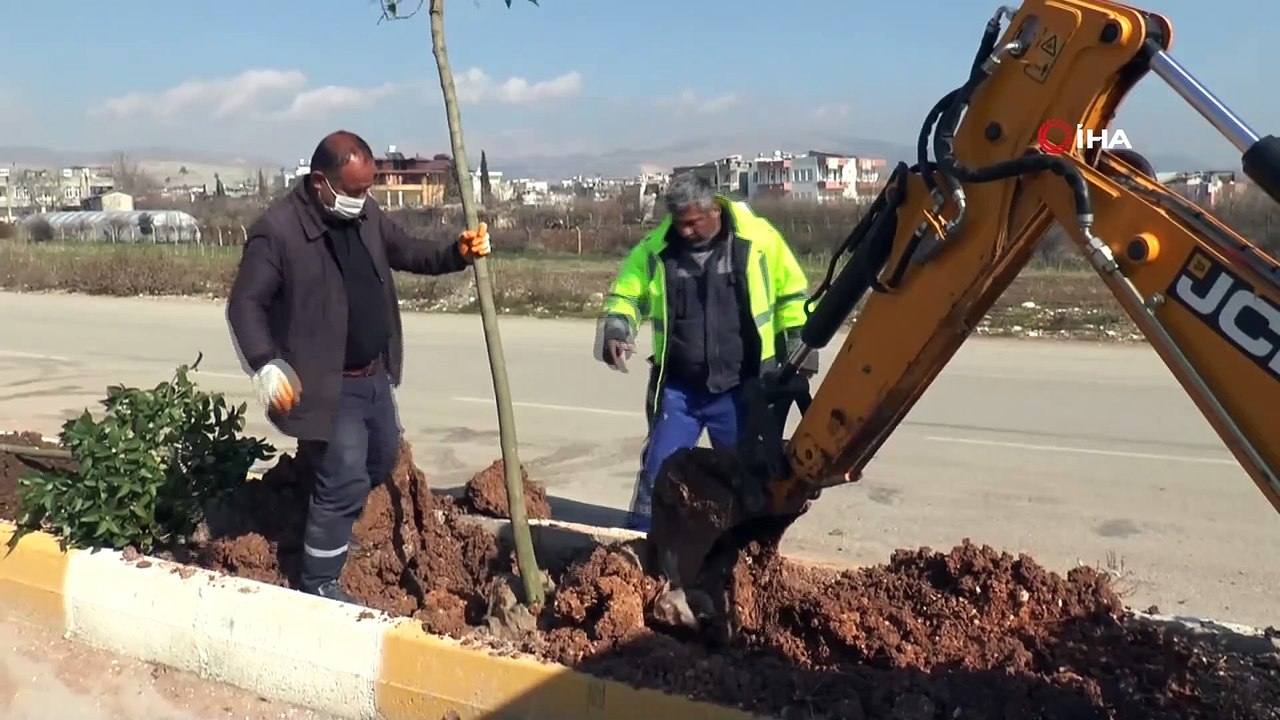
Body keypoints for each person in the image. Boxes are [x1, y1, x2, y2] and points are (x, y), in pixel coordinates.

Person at [225, 129, 491, 603]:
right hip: (324, 384)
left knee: (381, 458)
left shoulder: (365, 215)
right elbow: (245, 304)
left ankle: (322, 512)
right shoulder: (279, 231)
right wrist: (264, 363)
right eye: (352, 190)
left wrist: (457, 253)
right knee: (345, 474)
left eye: (367, 189)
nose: (362, 198)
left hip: (373, 374)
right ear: (320, 183)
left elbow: (408, 250)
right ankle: (319, 580)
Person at [596, 173, 817, 532]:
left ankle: (747, 548)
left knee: (747, 480)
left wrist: (800, 350)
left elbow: (792, 295)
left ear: (715, 210)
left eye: (692, 223)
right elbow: (627, 295)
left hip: (740, 389)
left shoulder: (759, 240)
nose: (684, 231)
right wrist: (617, 329)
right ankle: (641, 537)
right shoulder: (656, 251)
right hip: (680, 391)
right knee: (658, 471)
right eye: (678, 223)